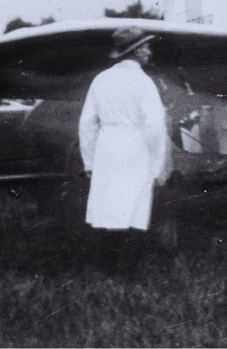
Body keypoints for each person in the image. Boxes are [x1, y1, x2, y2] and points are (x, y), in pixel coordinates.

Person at [78, 26, 171, 270]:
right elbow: (154, 126)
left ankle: (108, 266)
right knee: (136, 204)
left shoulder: (101, 80)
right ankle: (128, 269)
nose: (149, 51)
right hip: (135, 147)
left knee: (111, 205)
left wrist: (89, 160)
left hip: (108, 147)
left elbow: (87, 123)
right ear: (137, 51)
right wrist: (157, 164)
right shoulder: (143, 82)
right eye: (146, 47)